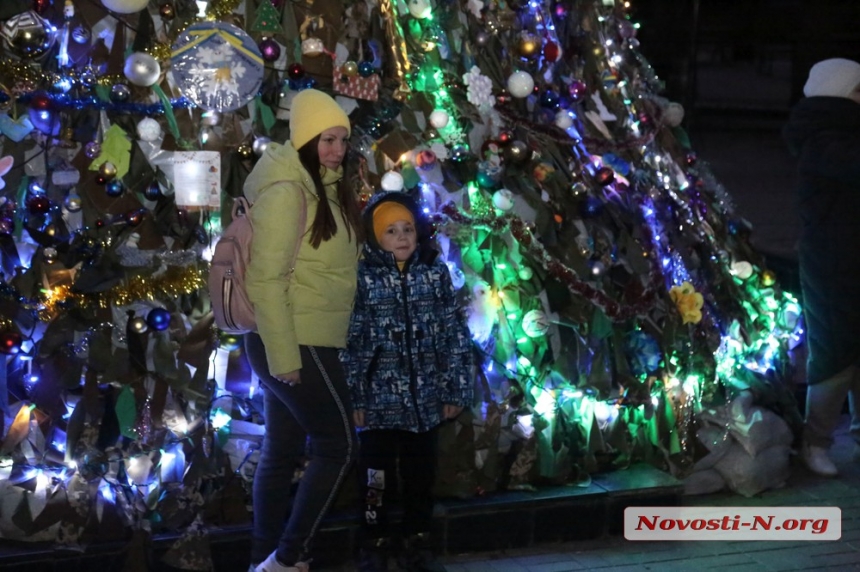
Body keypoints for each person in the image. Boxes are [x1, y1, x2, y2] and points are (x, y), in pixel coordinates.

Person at [243, 89, 364, 571]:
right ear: (303, 138)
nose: (336, 149)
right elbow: (265, 281)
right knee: (339, 445)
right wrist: (285, 358)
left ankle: (263, 560)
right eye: (326, 139)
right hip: (294, 340)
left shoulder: (325, 189)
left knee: (282, 451)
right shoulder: (287, 192)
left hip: (301, 337)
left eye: (341, 140)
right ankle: (288, 558)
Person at [341, 192, 474, 571]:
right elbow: (354, 342)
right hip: (379, 402)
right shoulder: (364, 278)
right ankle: (374, 536)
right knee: (376, 477)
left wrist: (453, 389)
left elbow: (452, 333)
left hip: (425, 400)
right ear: (374, 238)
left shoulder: (433, 272)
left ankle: (418, 535)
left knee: (421, 473)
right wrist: (356, 398)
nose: (402, 237)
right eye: (391, 231)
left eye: (408, 229)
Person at [783, 58, 860, 477]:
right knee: (834, 358)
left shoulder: (839, 135)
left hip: (849, 259)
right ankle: (815, 441)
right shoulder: (827, 142)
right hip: (833, 264)